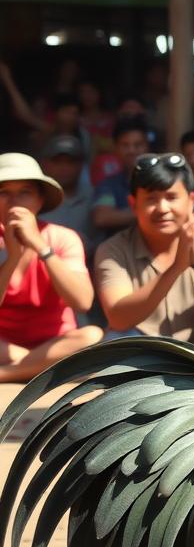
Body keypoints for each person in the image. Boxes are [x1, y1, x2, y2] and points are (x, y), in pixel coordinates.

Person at [94, 152, 194, 368]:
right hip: (143, 353)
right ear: (133, 203)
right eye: (151, 199)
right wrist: (175, 268)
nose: (162, 208)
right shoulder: (113, 249)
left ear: (191, 201)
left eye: (171, 197)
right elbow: (118, 319)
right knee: (114, 343)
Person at [0, 153, 102, 383]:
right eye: (4, 192)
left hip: (54, 343)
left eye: (25, 192)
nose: (14, 201)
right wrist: (13, 257)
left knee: (91, 336)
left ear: (39, 200)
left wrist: (40, 246)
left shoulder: (63, 237)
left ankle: (8, 374)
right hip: (5, 347)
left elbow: (82, 302)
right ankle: (36, 368)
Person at [91, 115, 152, 237]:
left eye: (138, 145)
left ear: (147, 147)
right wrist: (151, 212)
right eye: (125, 145)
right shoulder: (108, 184)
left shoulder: (162, 180)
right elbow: (102, 217)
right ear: (116, 149)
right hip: (118, 253)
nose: (131, 150)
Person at [36, 134, 96, 244]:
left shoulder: (95, 197)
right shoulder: (34, 198)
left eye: (70, 162)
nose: (64, 168)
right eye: (57, 162)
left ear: (81, 165)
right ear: (44, 164)